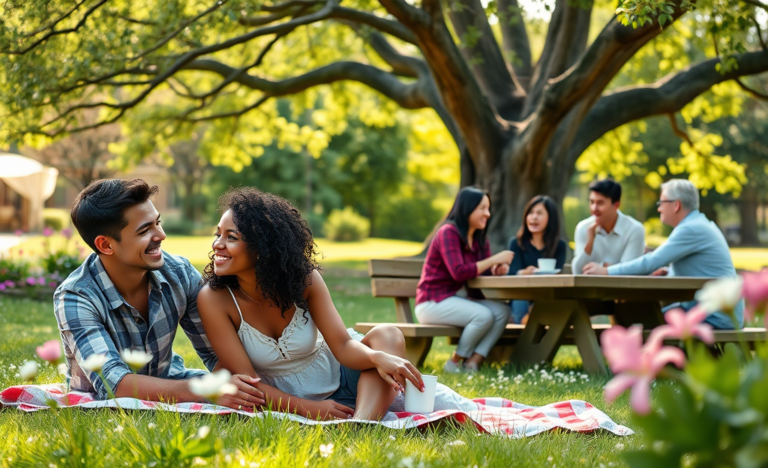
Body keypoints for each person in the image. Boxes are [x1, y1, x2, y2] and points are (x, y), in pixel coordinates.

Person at [197, 188, 423, 421]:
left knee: (389, 334)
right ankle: (360, 422)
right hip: (286, 401)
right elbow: (248, 383)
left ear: (262, 248)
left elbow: (344, 346)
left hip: (347, 381)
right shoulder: (214, 299)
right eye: (218, 234)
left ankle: (361, 425)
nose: (217, 245)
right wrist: (307, 409)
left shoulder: (304, 279)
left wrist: (376, 357)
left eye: (231, 237)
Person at [54, 179, 265, 408]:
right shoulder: (76, 296)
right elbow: (113, 384)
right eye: (145, 230)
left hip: (171, 381)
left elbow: (219, 356)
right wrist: (208, 390)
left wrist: (235, 385)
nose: (161, 235)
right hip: (99, 400)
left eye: (158, 223)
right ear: (105, 245)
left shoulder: (180, 273)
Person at [583, 179, 743, 329]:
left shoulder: (690, 229)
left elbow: (651, 262)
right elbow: (696, 266)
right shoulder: (698, 224)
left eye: (662, 202)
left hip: (715, 315)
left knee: (639, 320)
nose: (659, 208)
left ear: (676, 205)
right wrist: (669, 271)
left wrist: (606, 271)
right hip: (715, 311)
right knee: (644, 317)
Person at [414, 187, 513, 373]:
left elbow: (479, 273)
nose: (488, 214)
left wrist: (496, 270)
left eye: (488, 208)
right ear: (468, 208)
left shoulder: (479, 238)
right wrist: (494, 260)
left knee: (502, 311)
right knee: (483, 315)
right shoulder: (448, 232)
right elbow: (459, 272)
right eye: (482, 208)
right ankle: (454, 362)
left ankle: (473, 361)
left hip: (458, 300)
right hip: (432, 302)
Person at [508, 195, 567, 324]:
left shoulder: (559, 246)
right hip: (521, 298)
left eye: (539, 213)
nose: (534, 217)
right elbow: (512, 272)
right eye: (531, 213)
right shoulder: (516, 244)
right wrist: (523, 273)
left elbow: (558, 275)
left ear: (550, 218)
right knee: (520, 297)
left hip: (546, 297)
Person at [572, 179, 645, 274]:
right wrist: (590, 243)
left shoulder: (634, 230)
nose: (594, 208)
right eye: (592, 202)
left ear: (616, 205)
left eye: (600, 203)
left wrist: (603, 270)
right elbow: (577, 272)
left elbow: (630, 272)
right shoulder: (583, 228)